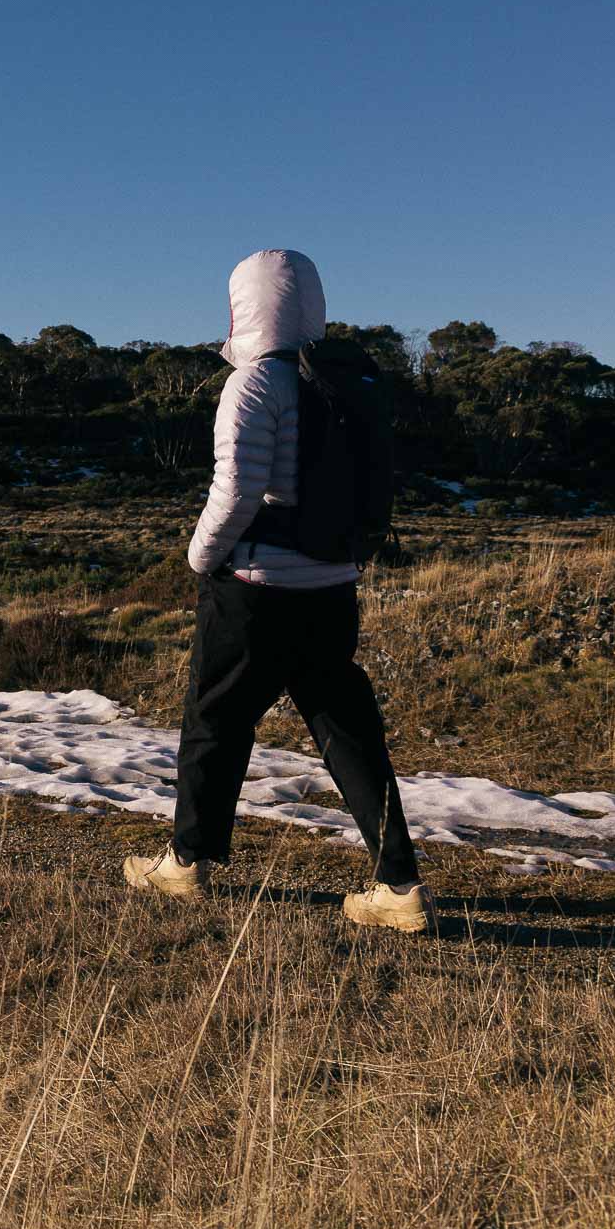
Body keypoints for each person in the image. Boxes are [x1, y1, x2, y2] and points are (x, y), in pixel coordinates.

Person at [123, 249, 435, 933]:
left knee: (215, 721)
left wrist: (199, 557)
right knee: (347, 731)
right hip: (332, 587)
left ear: (243, 305)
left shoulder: (254, 384)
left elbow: (235, 487)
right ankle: (399, 885)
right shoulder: (346, 383)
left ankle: (186, 863)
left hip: (257, 589)